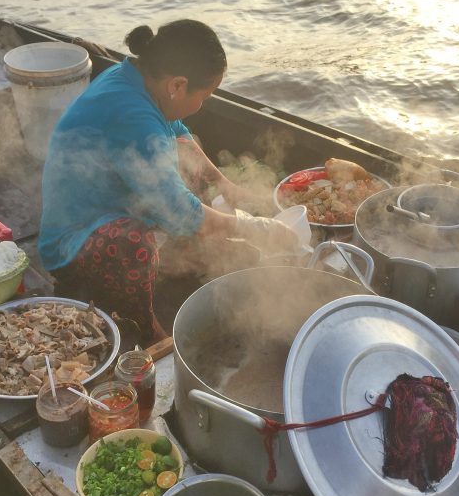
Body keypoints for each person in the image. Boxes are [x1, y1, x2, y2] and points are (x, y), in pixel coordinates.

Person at [39, 20, 297, 343]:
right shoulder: (132, 115)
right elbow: (180, 211)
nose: (205, 104)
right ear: (177, 85)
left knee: (189, 160)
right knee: (136, 244)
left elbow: (180, 137)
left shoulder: (138, 81)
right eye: (206, 94)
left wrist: (225, 185)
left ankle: (194, 253)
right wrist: (255, 228)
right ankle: (146, 330)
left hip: (116, 201)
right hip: (73, 243)